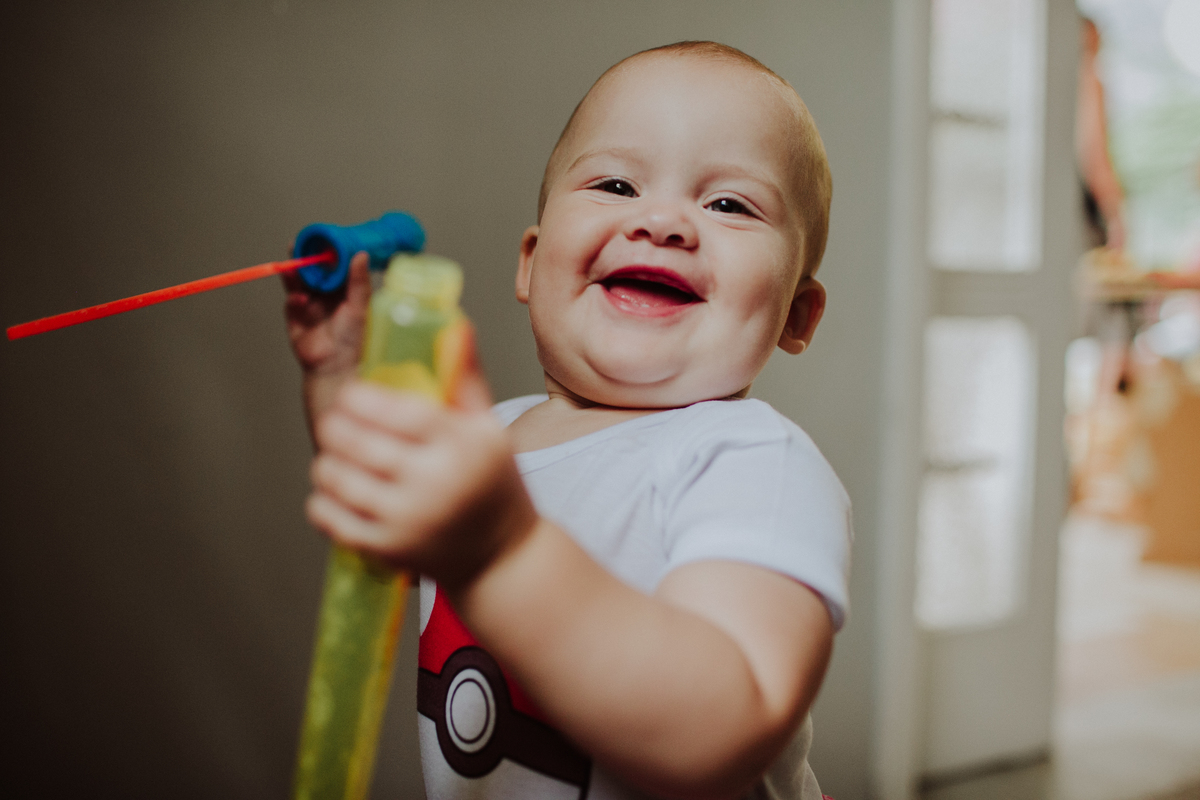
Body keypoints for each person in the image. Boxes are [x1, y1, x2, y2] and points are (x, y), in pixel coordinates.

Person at [284, 41, 851, 800]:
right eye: (616, 183)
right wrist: (342, 383)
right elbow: (387, 515)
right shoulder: (497, 441)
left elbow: (725, 724)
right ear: (531, 261)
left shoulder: (752, 465)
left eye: (728, 205)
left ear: (798, 313)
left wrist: (502, 553)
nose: (661, 221)